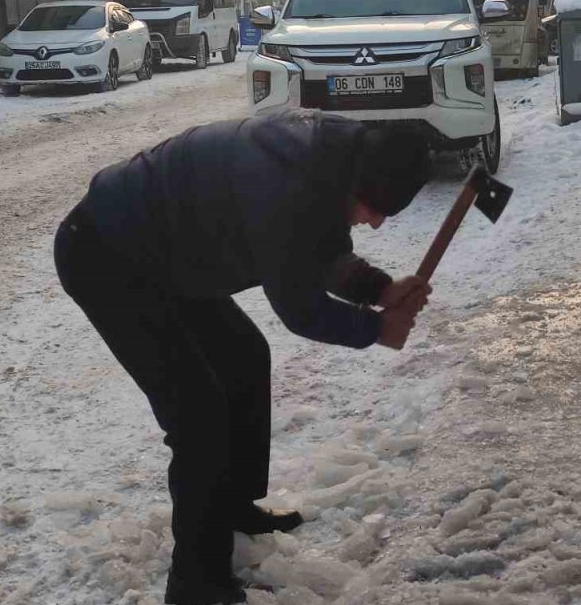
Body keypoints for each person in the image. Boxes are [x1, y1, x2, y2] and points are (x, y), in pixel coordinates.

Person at [53, 110, 434, 604]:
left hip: (169, 255)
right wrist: (376, 329)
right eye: (373, 207)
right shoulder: (284, 182)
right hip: (106, 255)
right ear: (357, 182)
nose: (376, 222)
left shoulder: (335, 157)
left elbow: (319, 247)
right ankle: (196, 583)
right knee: (198, 416)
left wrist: (379, 289)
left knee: (245, 359)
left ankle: (231, 506)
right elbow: (300, 307)